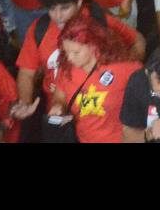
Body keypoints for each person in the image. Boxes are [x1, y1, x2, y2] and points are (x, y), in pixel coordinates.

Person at [14, 0, 143, 136]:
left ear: (80, 3)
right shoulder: (39, 29)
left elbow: (138, 41)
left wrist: (122, 70)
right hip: (58, 110)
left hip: (104, 112)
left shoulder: (98, 22)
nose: (58, 15)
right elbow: (27, 73)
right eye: (52, 9)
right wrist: (26, 103)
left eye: (64, 8)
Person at [48, 14, 144, 143]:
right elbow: (60, 96)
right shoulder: (66, 68)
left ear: (93, 45)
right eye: (67, 52)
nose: (70, 58)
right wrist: (58, 106)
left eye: (76, 52)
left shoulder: (126, 68)